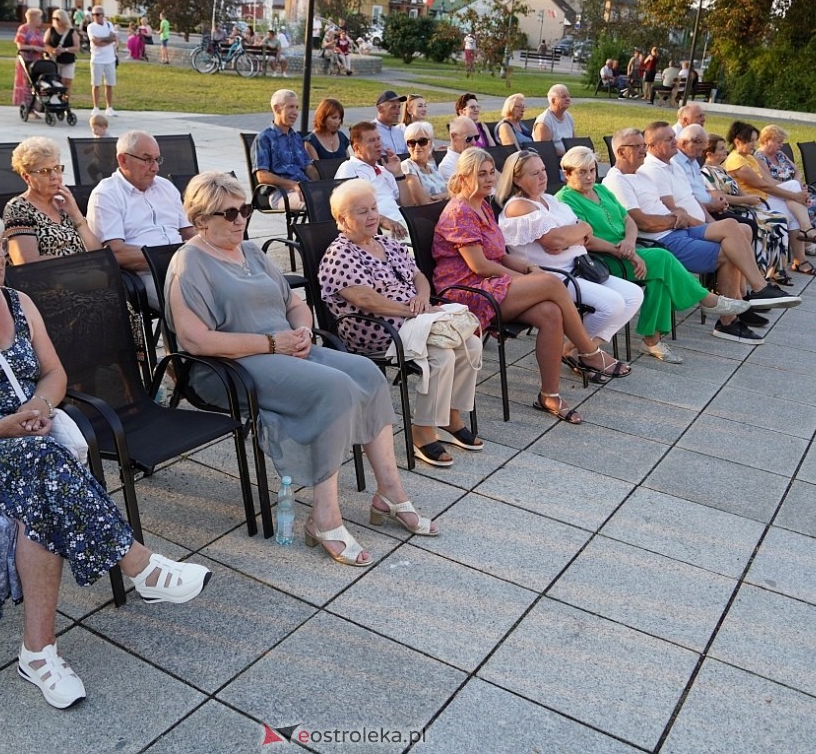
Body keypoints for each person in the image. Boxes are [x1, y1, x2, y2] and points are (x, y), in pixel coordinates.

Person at [0, 201, 210, 709]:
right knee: (43, 464)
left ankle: (38, 653)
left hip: (19, 442)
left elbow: (54, 374)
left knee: (38, 487)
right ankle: (140, 566)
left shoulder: (16, 302)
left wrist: (37, 407)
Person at [166, 172, 438, 565]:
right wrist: (272, 343)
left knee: (368, 374)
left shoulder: (251, 251)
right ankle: (324, 517)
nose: (241, 218)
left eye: (243, 209)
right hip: (231, 365)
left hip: (286, 348)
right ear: (202, 219)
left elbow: (294, 302)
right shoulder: (190, 262)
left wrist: (303, 330)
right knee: (333, 389)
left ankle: (390, 493)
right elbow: (195, 341)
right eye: (229, 213)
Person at [433, 148, 631, 422]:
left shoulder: (483, 205)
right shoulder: (460, 211)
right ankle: (589, 352)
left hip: (493, 282)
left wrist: (526, 267)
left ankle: (549, 395)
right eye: (481, 174)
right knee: (550, 283)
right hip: (468, 291)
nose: (489, 179)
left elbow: (500, 254)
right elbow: (479, 266)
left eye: (492, 172)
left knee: (551, 312)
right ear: (464, 177)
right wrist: (523, 278)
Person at [318, 180, 482, 467]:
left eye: (373, 208)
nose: (371, 216)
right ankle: (422, 431)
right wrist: (410, 311)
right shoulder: (340, 254)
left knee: (471, 343)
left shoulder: (387, 243)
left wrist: (421, 297)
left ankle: (450, 416)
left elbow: (418, 275)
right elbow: (366, 300)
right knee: (441, 355)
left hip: (413, 319)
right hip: (380, 331)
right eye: (361, 212)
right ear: (342, 219)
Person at [555, 143, 750, 365]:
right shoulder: (565, 200)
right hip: (604, 259)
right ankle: (707, 300)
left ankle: (652, 341)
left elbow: (628, 219)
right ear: (567, 173)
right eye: (582, 172)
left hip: (629, 250)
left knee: (660, 277)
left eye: (592, 170)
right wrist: (624, 251)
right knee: (662, 258)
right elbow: (584, 239)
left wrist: (629, 242)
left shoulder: (600, 190)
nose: (589, 176)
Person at [619, 123, 799, 345]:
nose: (674, 142)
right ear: (652, 145)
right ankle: (732, 316)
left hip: (682, 227)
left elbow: (686, 202)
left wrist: (702, 221)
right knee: (732, 245)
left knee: (734, 227)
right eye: (668, 139)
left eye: (674, 137)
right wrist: (679, 219)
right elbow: (644, 220)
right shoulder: (647, 172)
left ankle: (750, 296)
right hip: (666, 237)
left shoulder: (656, 170)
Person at [498, 149, 643, 372]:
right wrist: (575, 233)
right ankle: (587, 353)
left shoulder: (549, 200)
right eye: (534, 173)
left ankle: (575, 349)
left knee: (634, 295)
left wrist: (578, 232)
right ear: (517, 179)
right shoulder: (519, 206)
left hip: (580, 267)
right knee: (612, 304)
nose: (542, 176)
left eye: (543, 170)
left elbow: (585, 234)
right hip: (552, 276)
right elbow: (555, 241)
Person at [87, 130, 195, 309]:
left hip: (185, 265)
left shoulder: (165, 187)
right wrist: (174, 256)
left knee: (233, 291)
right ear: (123, 160)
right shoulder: (106, 195)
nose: (155, 168)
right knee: (192, 305)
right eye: (147, 160)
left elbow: (189, 232)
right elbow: (116, 252)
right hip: (147, 274)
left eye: (157, 159)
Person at [724, 121, 816, 277]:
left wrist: (793, 189)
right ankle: (801, 248)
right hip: (754, 203)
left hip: (765, 198)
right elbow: (764, 186)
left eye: (754, 141)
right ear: (737, 141)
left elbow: (769, 181)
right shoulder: (736, 161)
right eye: (751, 141)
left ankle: (799, 256)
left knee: (794, 192)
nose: (754, 145)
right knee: (790, 211)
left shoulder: (749, 157)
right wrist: (795, 195)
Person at [702, 133, 791, 286]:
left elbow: (740, 192)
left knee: (780, 219)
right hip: (730, 210)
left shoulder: (721, 170)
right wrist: (746, 200)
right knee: (764, 224)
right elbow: (720, 197)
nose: (725, 152)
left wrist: (750, 200)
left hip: (742, 207)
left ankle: (776, 271)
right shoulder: (705, 173)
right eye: (721, 149)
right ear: (709, 153)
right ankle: (759, 274)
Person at [3, 137, 100, 264]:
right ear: (27, 177)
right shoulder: (18, 208)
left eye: (57, 169)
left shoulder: (64, 204)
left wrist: (76, 214)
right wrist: (77, 261)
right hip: (48, 280)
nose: (54, 177)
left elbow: (97, 252)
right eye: (45, 171)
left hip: (83, 274)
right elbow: (26, 262)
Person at [755, 124, 816, 255]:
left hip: (793, 192)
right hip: (777, 193)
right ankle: (806, 237)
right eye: (779, 142)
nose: (781, 145)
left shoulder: (780, 154)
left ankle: (805, 235)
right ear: (767, 140)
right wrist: (793, 187)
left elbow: (797, 171)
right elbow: (768, 181)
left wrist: (797, 185)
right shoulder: (759, 157)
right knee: (805, 203)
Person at [337, 122, 415, 239]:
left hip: (402, 224)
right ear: (356, 148)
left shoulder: (385, 170)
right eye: (372, 140)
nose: (378, 144)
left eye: (378, 139)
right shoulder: (349, 168)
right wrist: (381, 219)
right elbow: (348, 209)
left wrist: (398, 173)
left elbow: (408, 205)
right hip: (377, 231)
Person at [254, 89, 316, 210]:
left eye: (297, 107)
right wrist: (293, 185)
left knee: (338, 200)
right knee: (317, 203)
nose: (296, 112)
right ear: (277, 109)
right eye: (291, 107)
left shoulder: (296, 138)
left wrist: (322, 184)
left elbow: (308, 167)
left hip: (304, 189)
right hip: (280, 193)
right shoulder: (264, 138)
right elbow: (262, 176)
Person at [401, 121, 449, 201]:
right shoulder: (407, 167)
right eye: (412, 142)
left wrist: (440, 197)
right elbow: (423, 201)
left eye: (422, 141)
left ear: (430, 143)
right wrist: (446, 196)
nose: (417, 147)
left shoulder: (433, 168)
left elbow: (455, 194)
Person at [13, 8, 47, 114]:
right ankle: (29, 108)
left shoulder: (37, 31)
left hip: (37, 61)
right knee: (27, 83)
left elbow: (43, 44)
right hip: (26, 60)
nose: (41, 20)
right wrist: (34, 47)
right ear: (33, 18)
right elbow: (20, 45)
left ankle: (36, 105)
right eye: (39, 17)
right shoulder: (23, 29)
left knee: (36, 82)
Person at [86, 7, 118, 116]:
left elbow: (114, 38)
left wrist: (104, 40)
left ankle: (109, 107)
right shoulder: (91, 27)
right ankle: (96, 107)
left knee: (109, 84)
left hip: (109, 58)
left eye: (98, 14)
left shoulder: (109, 25)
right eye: (94, 14)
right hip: (97, 59)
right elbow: (96, 42)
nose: (95, 16)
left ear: (102, 15)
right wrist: (107, 39)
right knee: (96, 84)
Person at [43, 9, 79, 96]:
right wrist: (52, 50)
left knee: (66, 83)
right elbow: (44, 44)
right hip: (54, 60)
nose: (55, 20)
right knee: (54, 82)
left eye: (57, 18)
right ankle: (55, 101)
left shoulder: (72, 32)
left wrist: (65, 50)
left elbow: (77, 47)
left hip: (68, 60)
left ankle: (65, 103)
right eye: (54, 18)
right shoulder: (51, 30)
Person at [303, 97, 349, 163]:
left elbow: (348, 162)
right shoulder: (311, 141)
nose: (337, 122)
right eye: (334, 118)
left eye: (339, 118)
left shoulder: (341, 136)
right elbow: (317, 169)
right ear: (323, 117)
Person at [532, 84, 575, 151]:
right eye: (563, 97)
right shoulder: (544, 122)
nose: (568, 99)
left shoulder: (568, 117)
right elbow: (545, 151)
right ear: (553, 101)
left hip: (570, 156)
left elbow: (573, 141)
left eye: (569, 96)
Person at [373, 90, 407, 155]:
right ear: (380, 109)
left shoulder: (400, 133)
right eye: (393, 107)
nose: (398, 112)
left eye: (399, 107)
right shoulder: (370, 132)